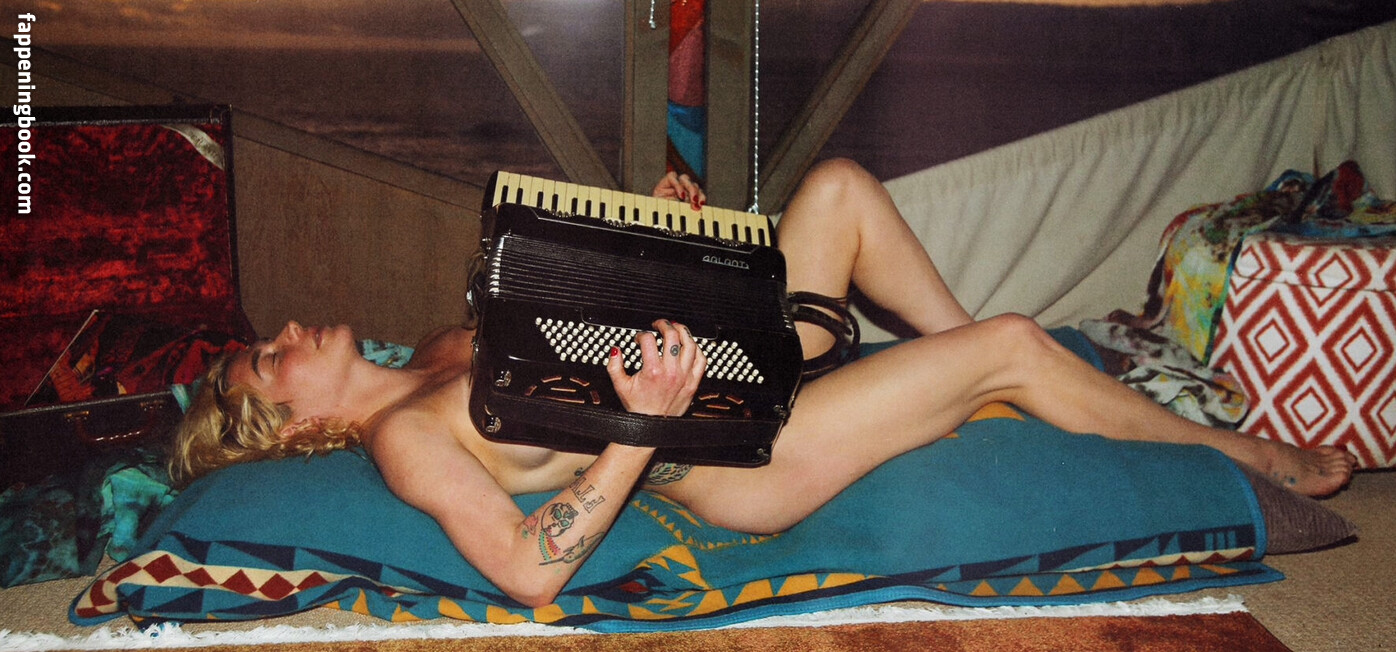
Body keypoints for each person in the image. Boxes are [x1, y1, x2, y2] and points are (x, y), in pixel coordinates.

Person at [171, 159, 1356, 608]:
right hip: (736, 460)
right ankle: (1225, 448)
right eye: (271, 355)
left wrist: (664, 242)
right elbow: (530, 570)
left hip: (724, 375)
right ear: (291, 418)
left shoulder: (439, 345)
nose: (288, 329)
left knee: (837, 188)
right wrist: (642, 429)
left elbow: (605, 336)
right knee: (1009, 343)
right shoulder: (406, 442)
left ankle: (978, 380)